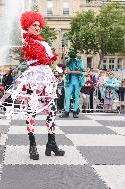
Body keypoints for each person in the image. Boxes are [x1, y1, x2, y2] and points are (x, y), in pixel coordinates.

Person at [20, 11, 65, 160]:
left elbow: (51, 57)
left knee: (52, 111)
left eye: (39, 25)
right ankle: (32, 145)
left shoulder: (41, 41)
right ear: (27, 26)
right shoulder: (27, 41)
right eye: (34, 25)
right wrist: (49, 57)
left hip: (46, 78)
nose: (38, 28)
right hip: (34, 79)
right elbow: (46, 58)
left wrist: (51, 57)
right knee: (31, 111)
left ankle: (51, 143)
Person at [59, 50, 85, 118]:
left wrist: (71, 72)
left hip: (77, 81)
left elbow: (80, 71)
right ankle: (66, 111)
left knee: (76, 96)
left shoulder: (79, 61)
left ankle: (75, 111)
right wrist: (63, 55)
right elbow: (64, 65)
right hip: (69, 81)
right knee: (67, 96)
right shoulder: (68, 60)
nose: (71, 58)